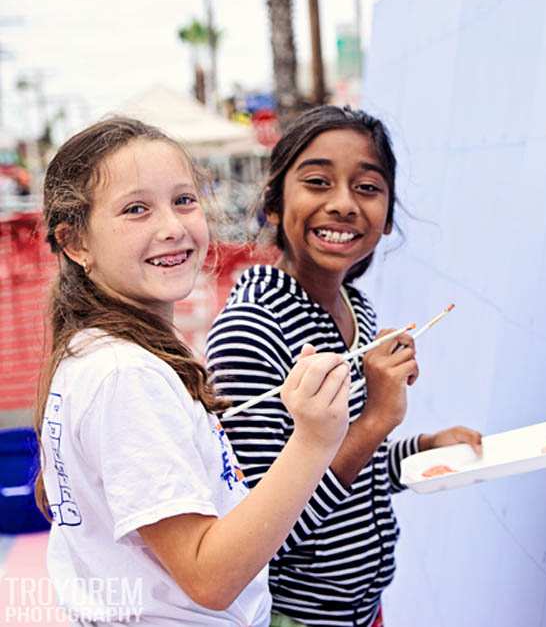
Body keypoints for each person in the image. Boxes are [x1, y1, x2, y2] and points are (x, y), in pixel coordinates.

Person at [34, 117, 352, 625]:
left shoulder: (100, 354)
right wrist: (314, 439)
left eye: (183, 200)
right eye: (136, 209)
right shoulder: (124, 375)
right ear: (76, 244)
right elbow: (210, 578)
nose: (173, 227)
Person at [206, 106, 482, 627]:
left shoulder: (355, 308)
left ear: (389, 213)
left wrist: (417, 451)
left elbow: (353, 471)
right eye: (316, 182)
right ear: (272, 202)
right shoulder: (250, 332)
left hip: (363, 611)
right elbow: (269, 530)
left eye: (368, 188)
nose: (342, 205)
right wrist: (377, 416)